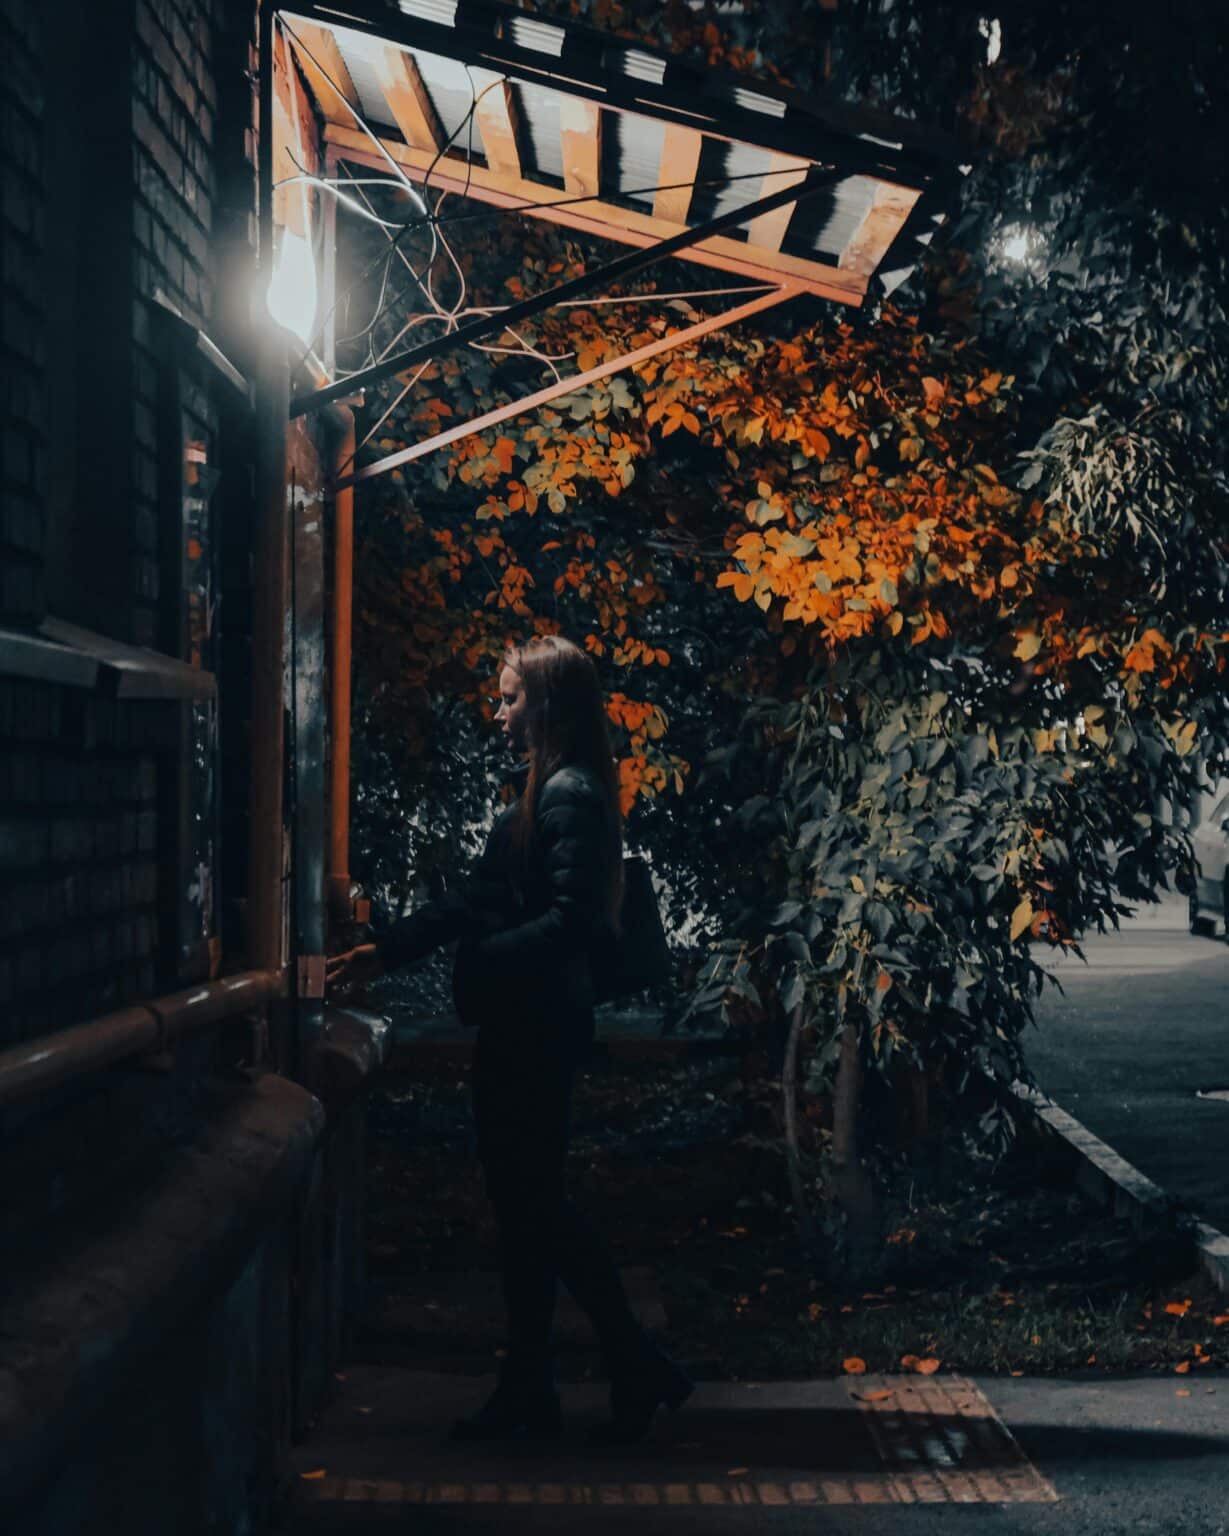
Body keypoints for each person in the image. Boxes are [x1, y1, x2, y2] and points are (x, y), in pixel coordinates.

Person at [327, 634, 692, 1443]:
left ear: (548, 704)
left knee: (534, 1206)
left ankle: (608, 1370)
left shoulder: (567, 796)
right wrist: (386, 951)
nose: (497, 713)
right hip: (530, 1026)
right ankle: (577, 1378)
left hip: (535, 1028)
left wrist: (481, 962)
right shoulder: (551, 790)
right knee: (528, 1209)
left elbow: (573, 920)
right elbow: (476, 897)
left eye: (509, 697)